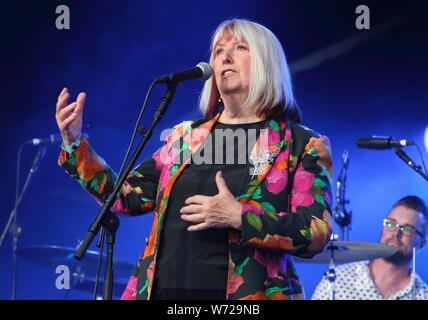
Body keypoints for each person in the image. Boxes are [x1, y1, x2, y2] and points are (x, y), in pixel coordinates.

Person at [55, 18, 333, 300]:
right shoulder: (186, 136)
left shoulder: (303, 144)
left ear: (267, 64)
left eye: (239, 47)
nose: (225, 56)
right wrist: (74, 143)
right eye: (217, 51)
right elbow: (124, 197)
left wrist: (239, 216)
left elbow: (316, 233)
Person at [312, 196, 428, 300]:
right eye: (391, 223)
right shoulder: (339, 279)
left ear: (422, 243)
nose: (395, 232)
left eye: (407, 229)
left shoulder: (423, 295)